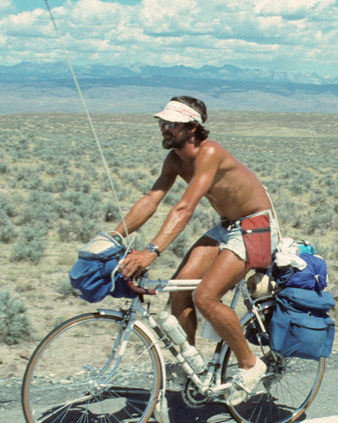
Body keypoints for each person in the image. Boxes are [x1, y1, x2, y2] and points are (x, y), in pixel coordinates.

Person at [113, 96, 279, 404]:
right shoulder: (175, 159)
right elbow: (152, 199)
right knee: (178, 289)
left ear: (192, 128)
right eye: (162, 123)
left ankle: (250, 364)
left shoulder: (210, 151)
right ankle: (192, 365)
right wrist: (113, 236)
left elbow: (185, 207)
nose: (164, 129)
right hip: (228, 226)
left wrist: (151, 251)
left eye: (171, 124)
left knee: (205, 296)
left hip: (256, 228)